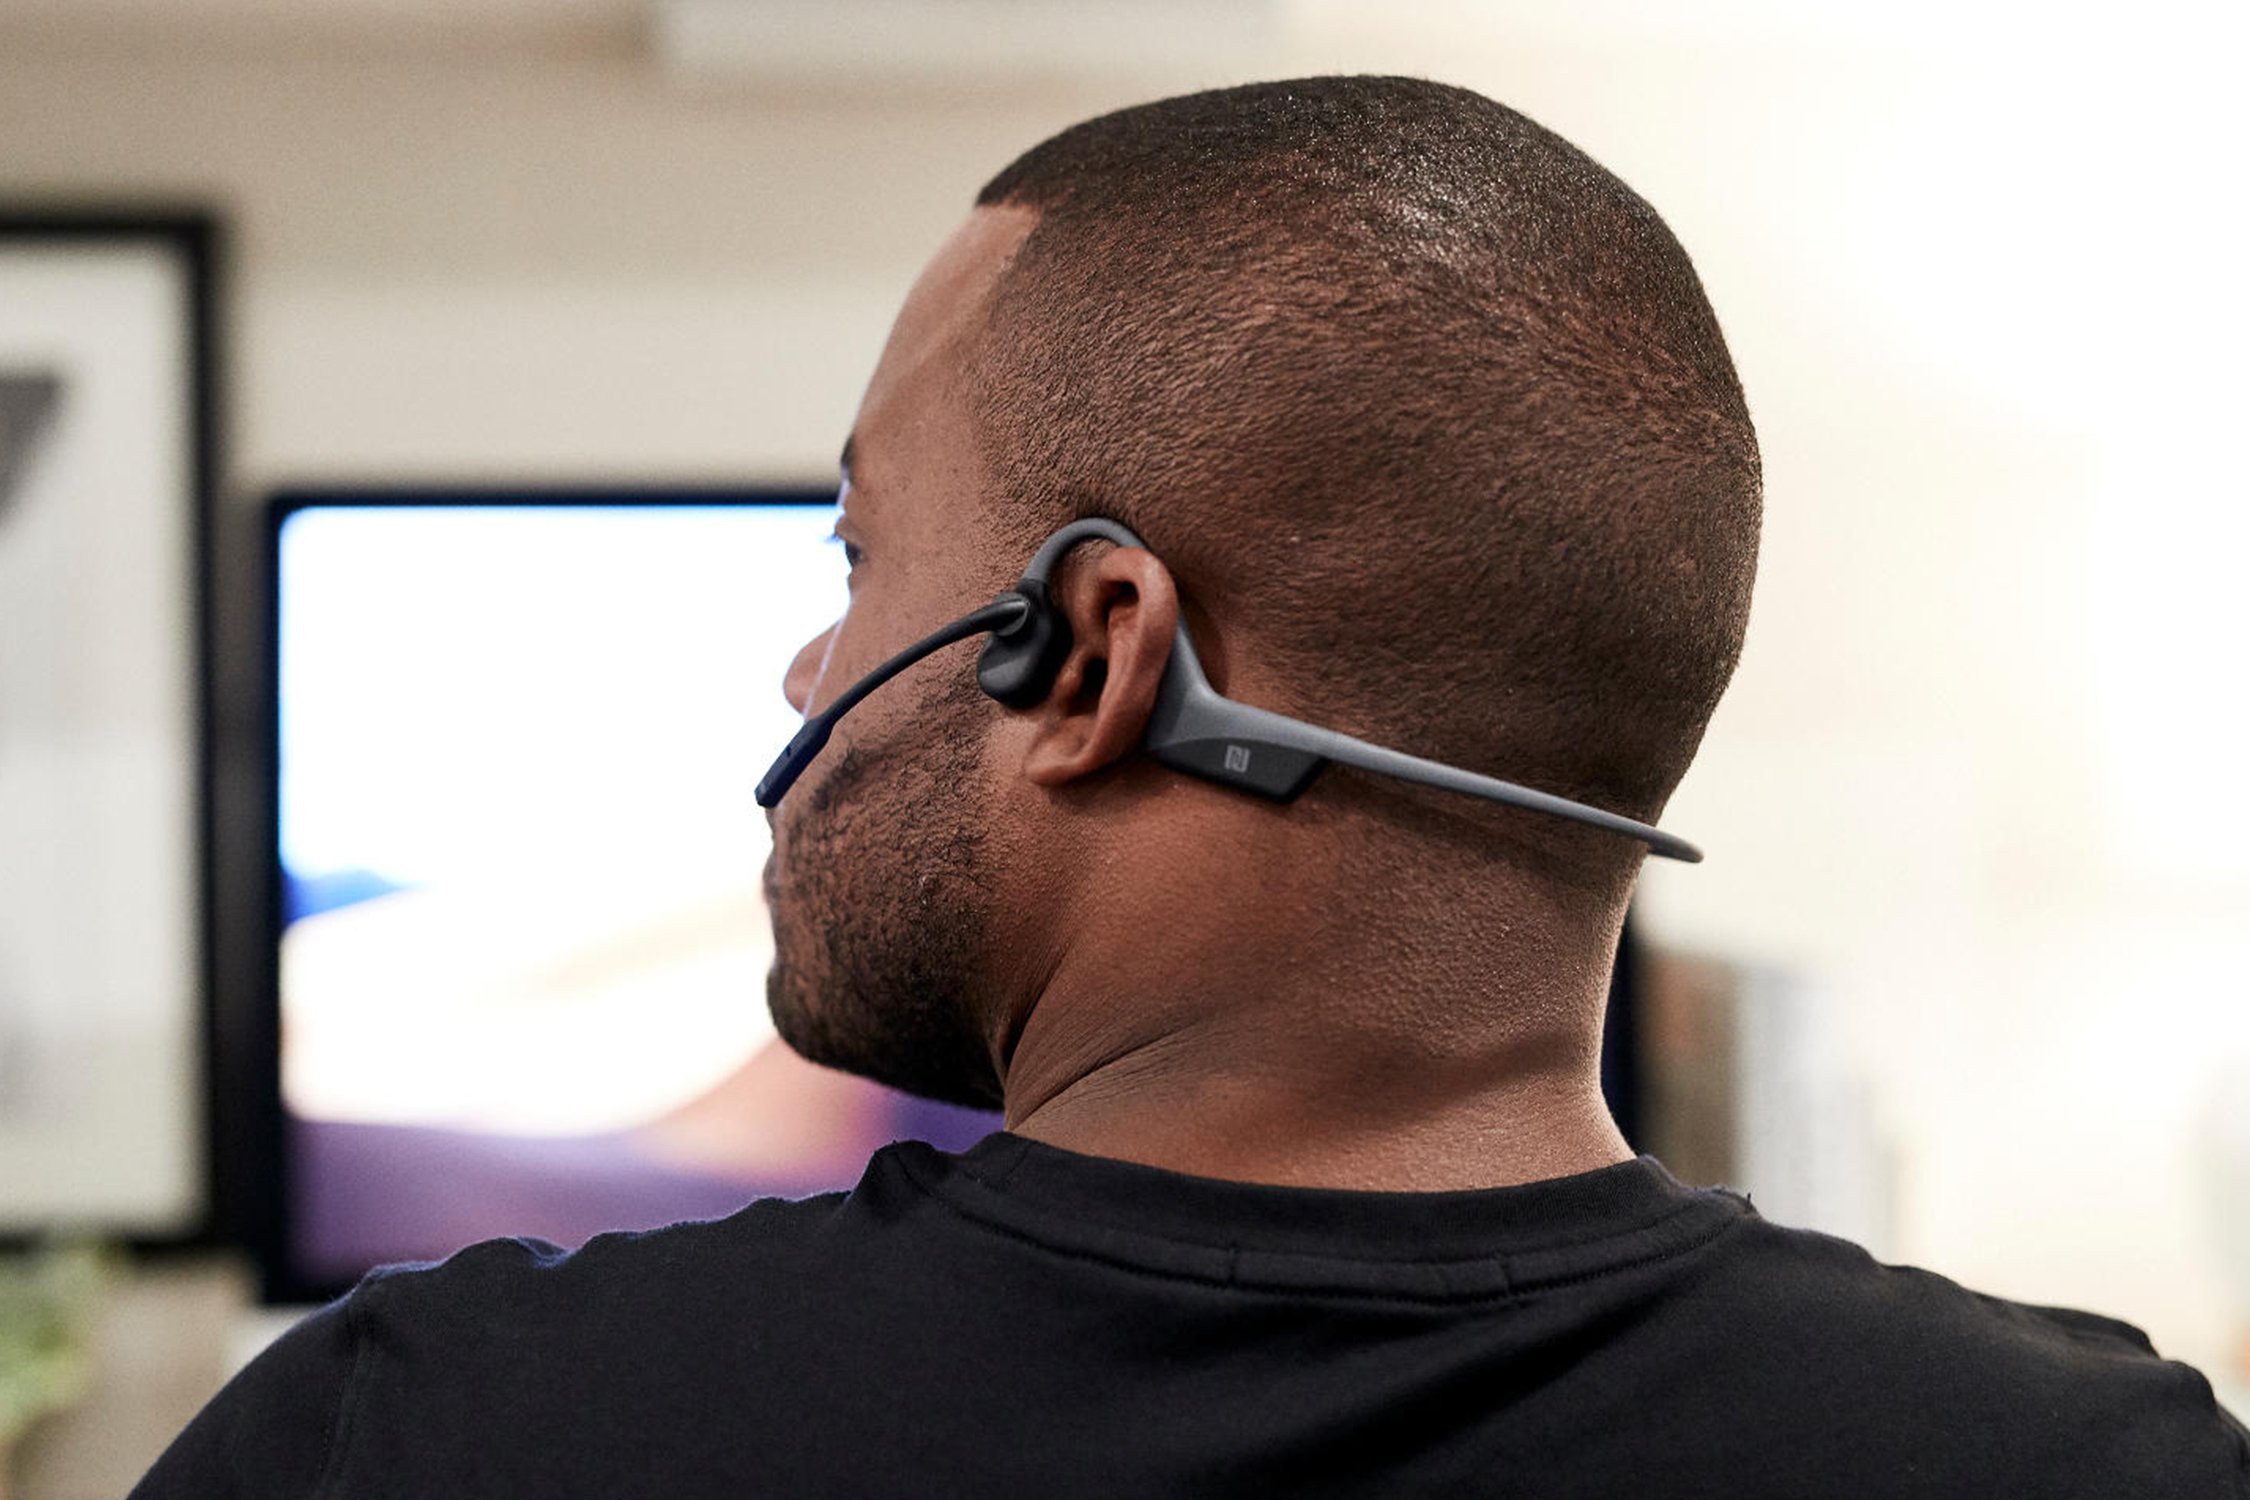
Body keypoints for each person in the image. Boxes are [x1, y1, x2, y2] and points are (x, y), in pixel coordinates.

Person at [134, 75, 2247, 1498]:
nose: (809, 666)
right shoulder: (2109, 1470)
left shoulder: (431, 1446)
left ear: (1097, 653)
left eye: (861, 556)